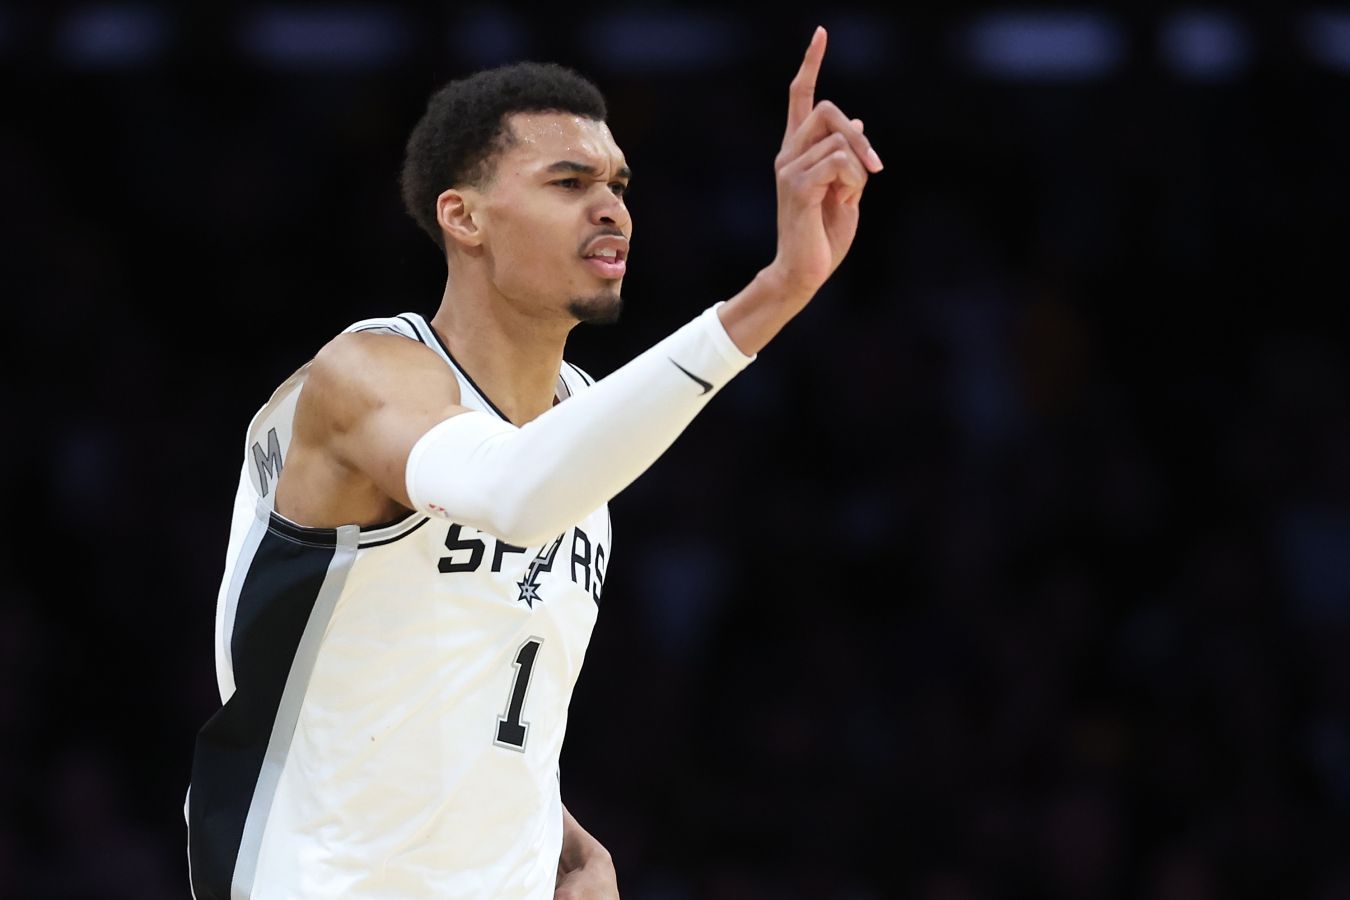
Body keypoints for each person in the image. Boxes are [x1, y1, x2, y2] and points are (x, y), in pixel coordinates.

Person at [185, 24, 881, 900]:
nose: (612, 208)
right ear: (464, 216)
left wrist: (557, 834)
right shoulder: (364, 376)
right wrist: (776, 292)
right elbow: (509, 494)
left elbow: (457, 697)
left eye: (619, 185)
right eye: (569, 182)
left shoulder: (577, 421)